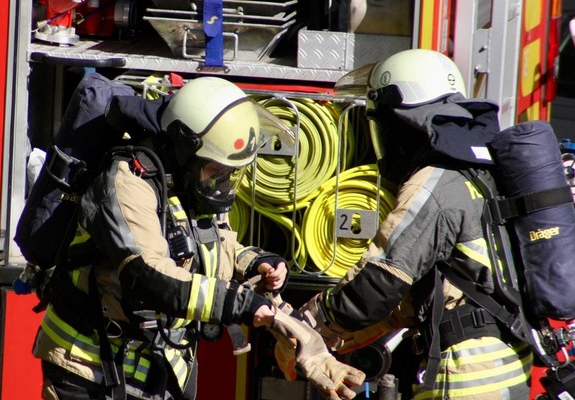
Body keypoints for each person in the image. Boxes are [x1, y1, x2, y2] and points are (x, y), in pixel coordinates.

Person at [30, 75, 365, 400]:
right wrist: (243, 304)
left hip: (152, 368)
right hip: (87, 367)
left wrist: (254, 262)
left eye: (228, 174)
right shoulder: (127, 182)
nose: (221, 183)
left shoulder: (185, 181)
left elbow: (210, 240)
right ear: (183, 149)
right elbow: (149, 276)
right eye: (215, 171)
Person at [298, 48, 533, 399]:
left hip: (464, 376)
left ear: (401, 125)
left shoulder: (436, 180)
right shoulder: (486, 170)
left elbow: (378, 285)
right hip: (508, 364)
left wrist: (308, 321)